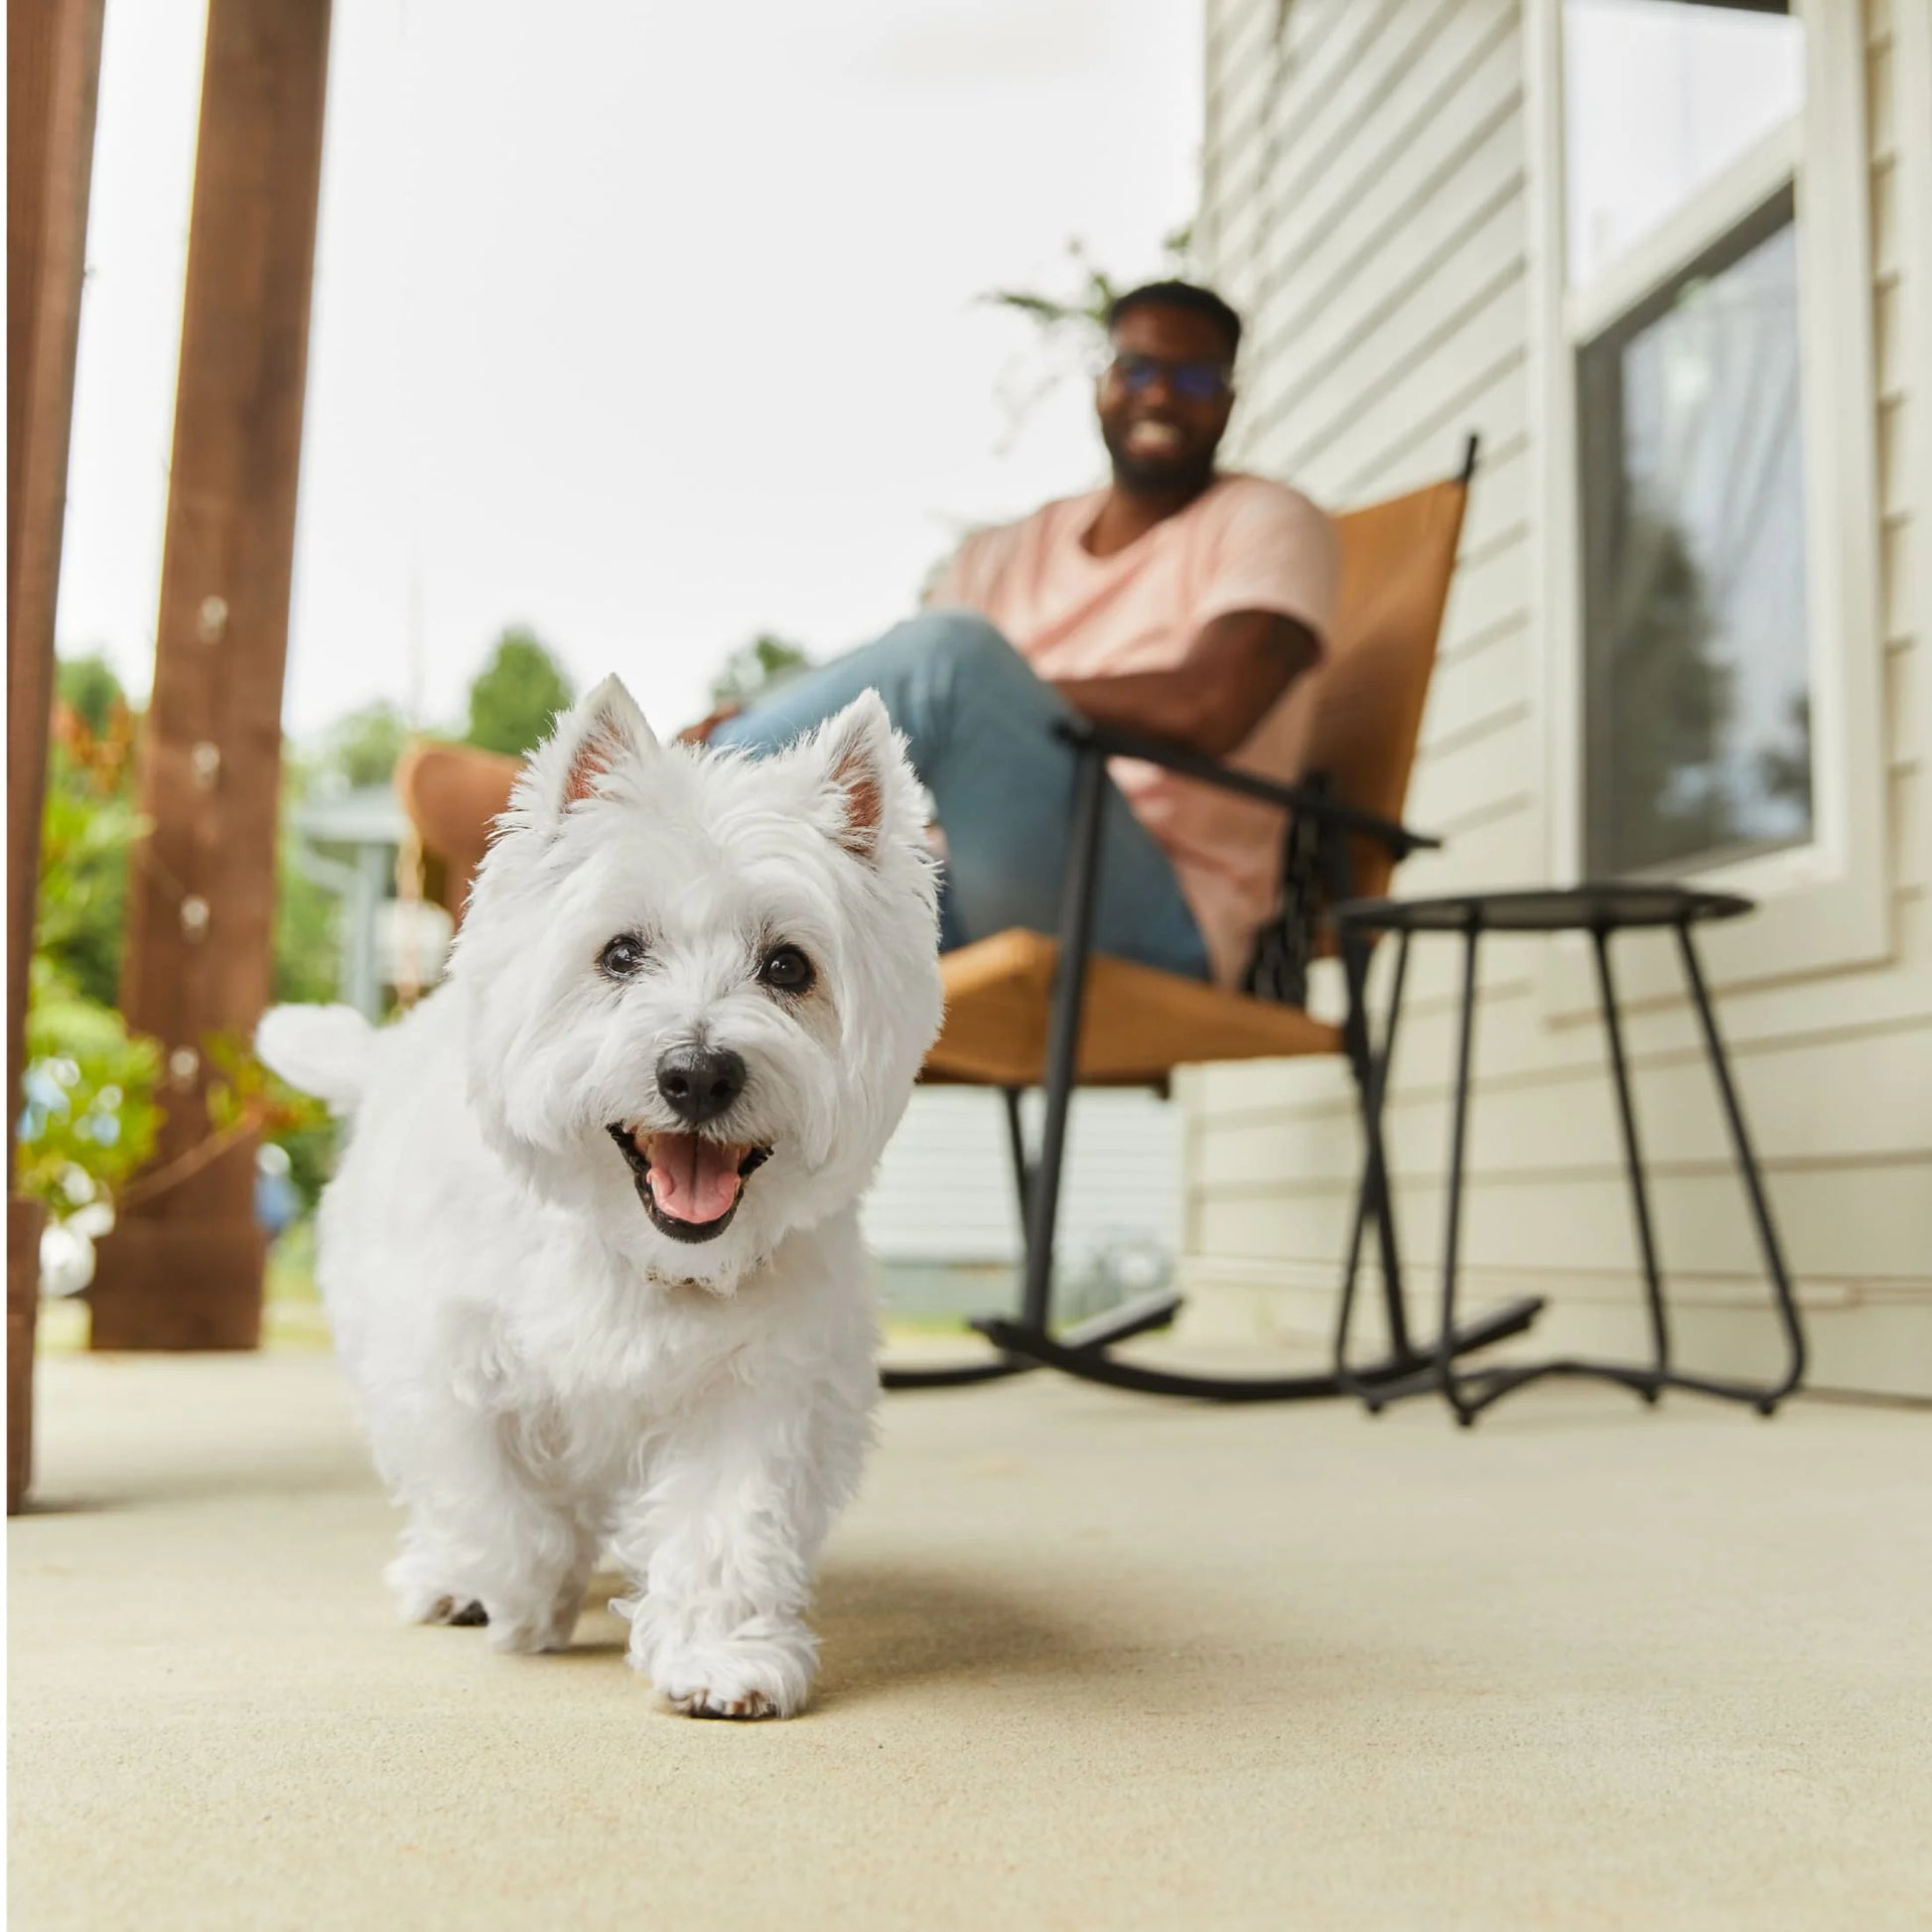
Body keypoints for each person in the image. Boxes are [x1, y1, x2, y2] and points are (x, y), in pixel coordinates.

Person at [697, 279, 1340, 989]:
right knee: (739, 913)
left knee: (956, 661)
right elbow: (899, 689)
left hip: (1153, 917)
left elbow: (1211, 706)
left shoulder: (1268, 521)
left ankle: (682, 786)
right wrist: (774, 708)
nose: (1159, 395)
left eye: (1193, 378)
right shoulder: (1004, 552)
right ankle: (681, 812)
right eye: (1136, 369)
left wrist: (1007, 695)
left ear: (1228, 399)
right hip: (959, 883)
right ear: (1102, 384)